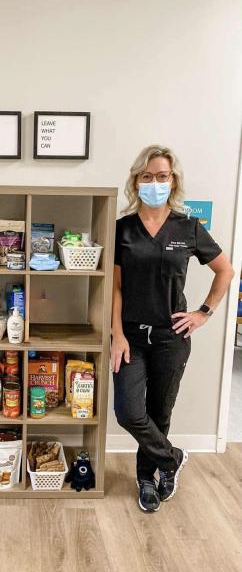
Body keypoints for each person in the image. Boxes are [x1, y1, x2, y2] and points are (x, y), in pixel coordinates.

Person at [111, 145, 234, 513]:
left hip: (171, 336)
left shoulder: (188, 227)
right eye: (147, 176)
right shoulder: (123, 229)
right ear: (136, 181)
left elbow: (226, 270)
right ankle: (172, 458)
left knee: (159, 412)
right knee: (129, 412)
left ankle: (147, 480)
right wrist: (116, 334)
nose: (154, 182)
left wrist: (203, 312)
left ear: (173, 180)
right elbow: (115, 287)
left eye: (161, 176)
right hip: (131, 334)